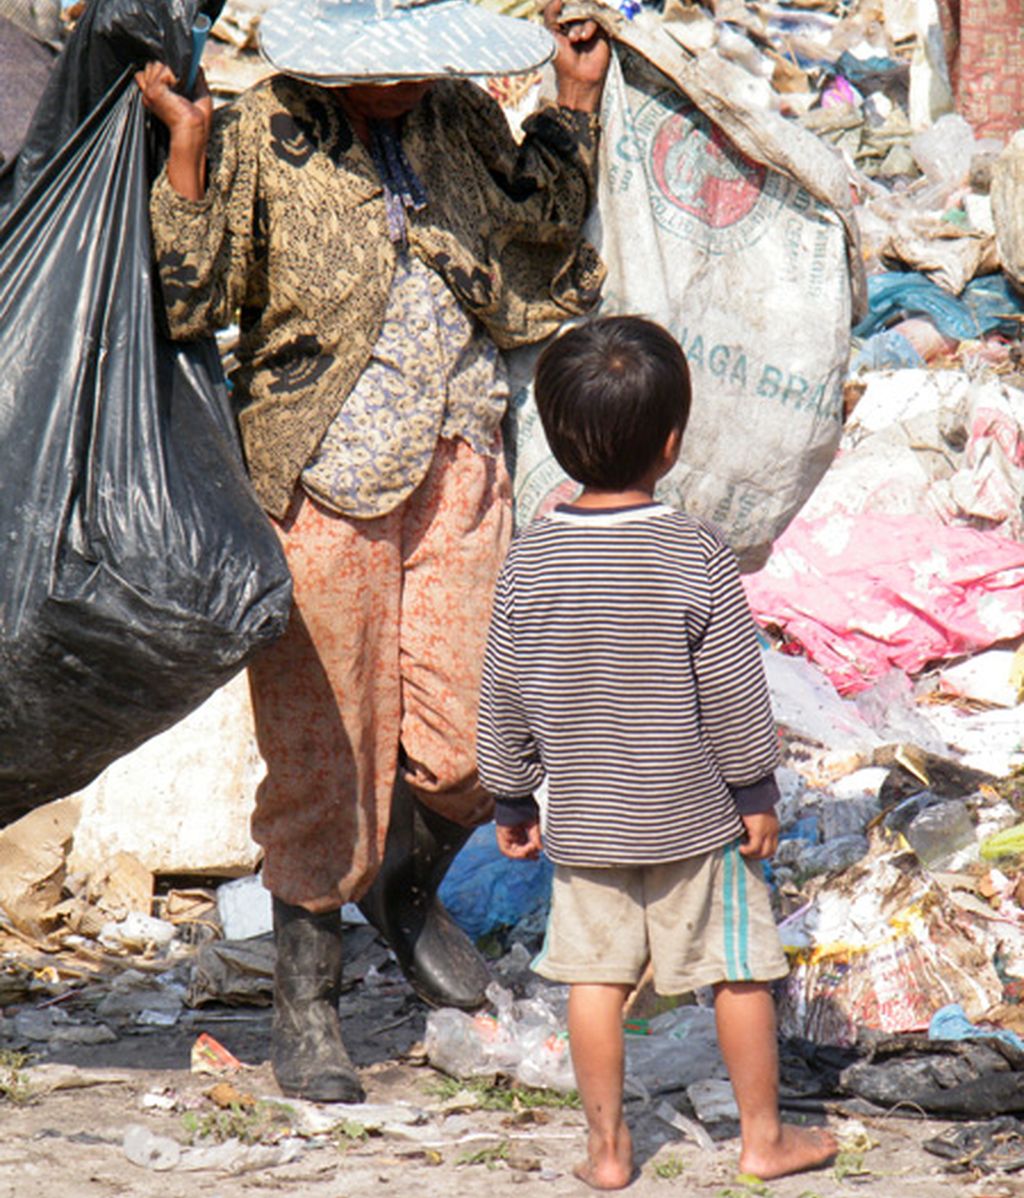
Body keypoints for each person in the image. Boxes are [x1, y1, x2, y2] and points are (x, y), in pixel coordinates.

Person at [136, 0, 608, 1103]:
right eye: (378, 71)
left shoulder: (456, 117)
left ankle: (399, 889)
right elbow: (190, 295)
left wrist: (574, 100)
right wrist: (190, 154)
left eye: (415, 66)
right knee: (323, 758)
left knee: (475, 748)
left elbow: (541, 226)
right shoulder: (258, 129)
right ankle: (308, 1002)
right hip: (314, 478)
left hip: (456, 455)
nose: (397, 85)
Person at [476, 316, 838, 1189]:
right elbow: (733, 691)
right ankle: (763, 1140)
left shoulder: (531, 560)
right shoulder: (694, 552)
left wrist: (512, 797)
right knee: (736, 973)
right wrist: (756, 788)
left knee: (592, 980)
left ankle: (606, 1152)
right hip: (693, 817)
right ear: (671, 443)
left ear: (555, 443)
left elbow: (503, 686)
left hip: (587, 823)